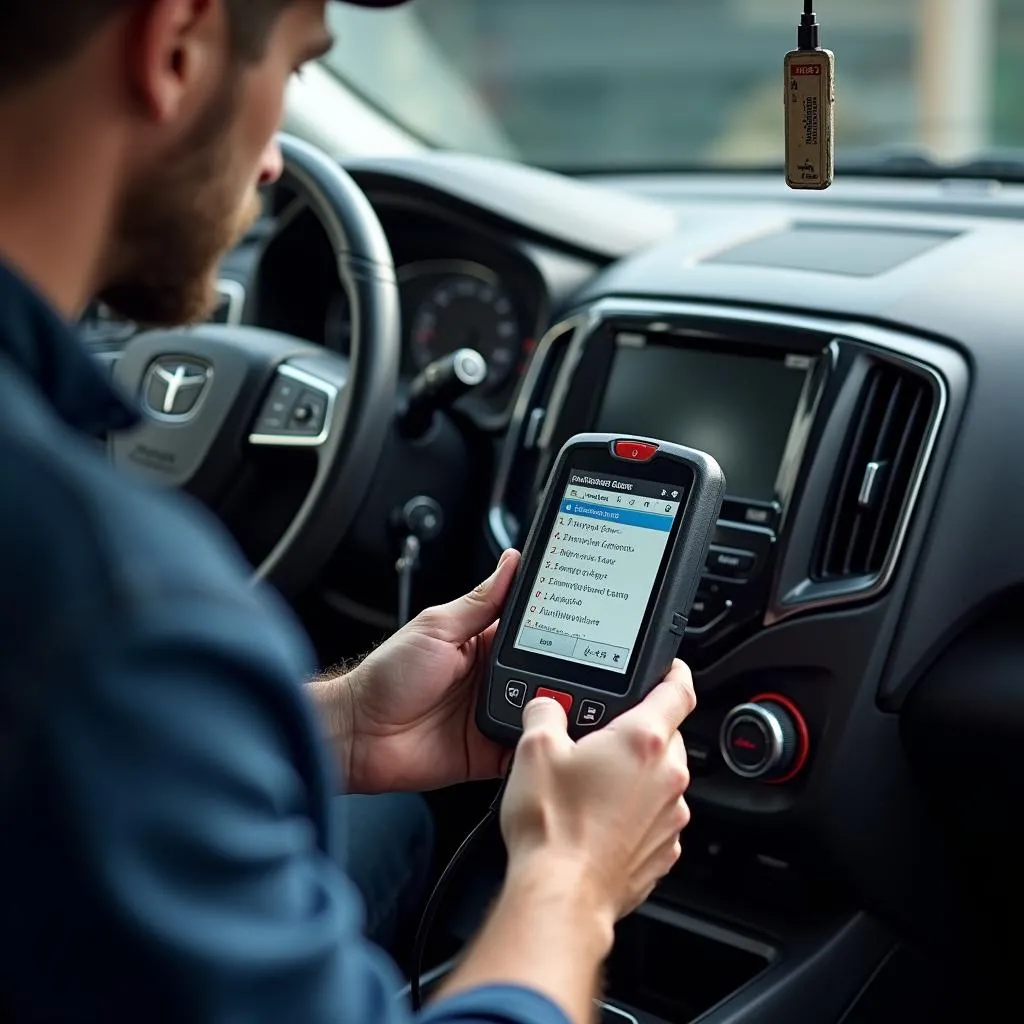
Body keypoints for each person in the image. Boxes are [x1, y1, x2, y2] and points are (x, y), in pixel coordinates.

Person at [0, 2, 697, 1023]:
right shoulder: (112, 602)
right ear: (177, 46)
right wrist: (572, 879)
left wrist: (338, 727)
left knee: (398, 818)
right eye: (294, 69)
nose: (278, 160)